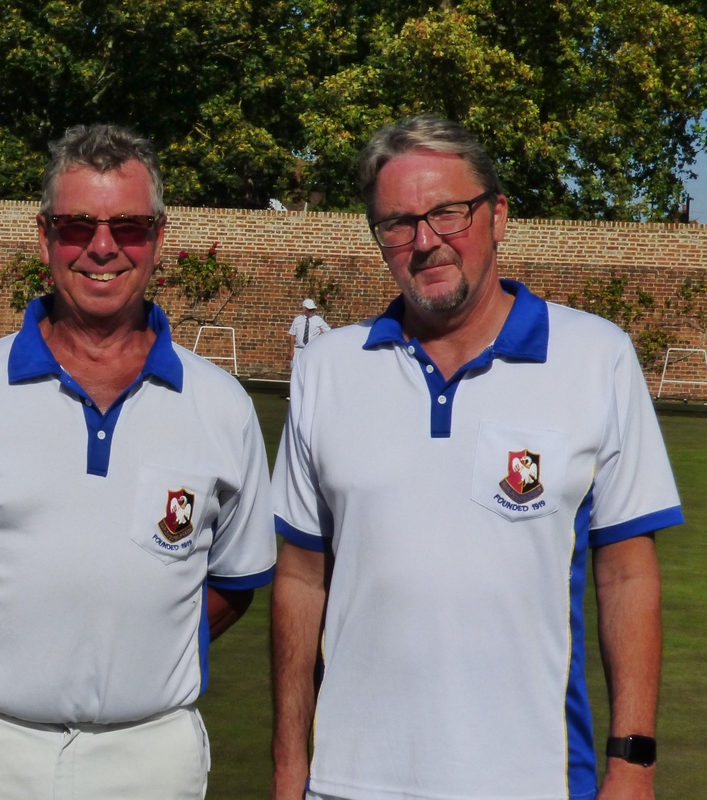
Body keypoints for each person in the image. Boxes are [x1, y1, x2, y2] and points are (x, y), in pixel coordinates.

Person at [269, 114, 683, 800]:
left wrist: (632, 763)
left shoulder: (595, 356)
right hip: (350, 783)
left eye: (447, 213)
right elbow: (300, 582)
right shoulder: (327, 369)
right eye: (397, 223)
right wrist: (289, 771)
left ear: (497, 215)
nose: (424, 241)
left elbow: (627, 577)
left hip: (537, 781)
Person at [0, 124, 276, 799]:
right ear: (43, 235)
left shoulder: (222, 405)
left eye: (129, 226)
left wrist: (139, 665)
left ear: (159, 236)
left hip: (153, 754)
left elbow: (233, 583)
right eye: (76, 224)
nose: (102, 246)